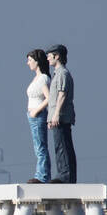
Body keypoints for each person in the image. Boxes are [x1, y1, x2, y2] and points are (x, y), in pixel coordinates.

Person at [45, 44, 76, 183]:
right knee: (60, 146)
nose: (47, 59)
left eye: (49, 56)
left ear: (57, 56)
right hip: (57, 116)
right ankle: (64, 174)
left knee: (63, 146)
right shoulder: (57, 74)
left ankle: (65, 176)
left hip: (61, 117)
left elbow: (62, 95)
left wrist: (56, 114)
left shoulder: (62, 73)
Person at [25, 49, 52, 183]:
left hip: (38, 115)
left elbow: (49, 98)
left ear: (37, 61)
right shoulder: (36, 78)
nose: (28, 63)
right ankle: (42, 174)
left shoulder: (43, 78)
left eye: (30, 60)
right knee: (37, 146)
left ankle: (42, 176)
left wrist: (36, 111)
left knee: (41, 147)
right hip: (32, 116)